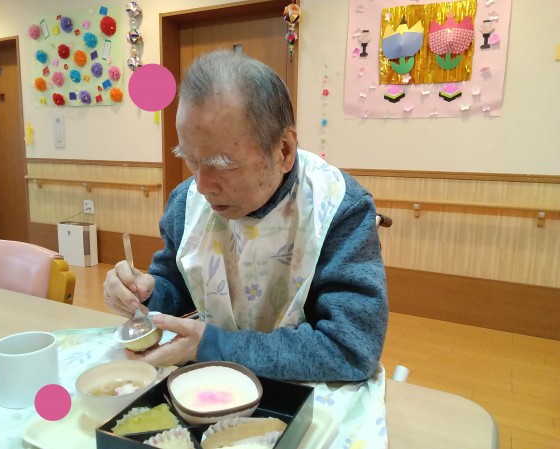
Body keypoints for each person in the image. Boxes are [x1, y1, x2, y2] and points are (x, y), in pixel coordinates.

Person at [104, 50, 388, 382]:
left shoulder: (339, 207)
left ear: (284, 149)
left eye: (222, 164)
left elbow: (352, 349)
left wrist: (214, 346)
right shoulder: (185, 202)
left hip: (300, 394)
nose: (202, 186)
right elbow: (178, 283)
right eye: (190, 159)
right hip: (208, 388)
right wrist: (146, 295)